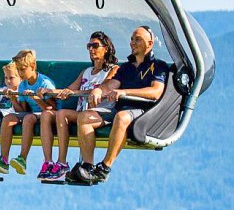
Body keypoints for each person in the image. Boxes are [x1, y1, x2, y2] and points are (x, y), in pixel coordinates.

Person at [67, 25, 169, 185]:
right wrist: (98, 91)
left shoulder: (158, 66)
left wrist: (125, 92)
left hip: (144, 111)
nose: (132, 43)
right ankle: (88, 166)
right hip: (120, 108)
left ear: (150, 44)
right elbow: (110, 85)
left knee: (122, 117)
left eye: (138, 40)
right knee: (85, 117)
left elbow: (156, 91)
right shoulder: (126, 67)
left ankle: (104, 169)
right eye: (132, 39)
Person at [39, 32, 119, 182]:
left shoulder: (113, 70)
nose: (91, 49)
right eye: (89, 46)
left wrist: (74, 92)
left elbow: (103, 88)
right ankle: (60, 162)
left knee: (64, 113)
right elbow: (68, 90)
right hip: (81, 111)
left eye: (95, 46)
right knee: (59, 113)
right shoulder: (86, 72)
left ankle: (81, 163)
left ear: (106, 48)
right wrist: (49, 92)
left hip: (100, 112)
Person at [0, 50, 55, 175]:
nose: (20, 73)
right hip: (32, 113)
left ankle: (22, 157)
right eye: (19, 70)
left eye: (23, 69)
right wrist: (13, 99)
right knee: (8, 118)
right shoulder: (23, 85)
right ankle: (3, 160)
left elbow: (52, 108)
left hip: (47, 114)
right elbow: (22, 110)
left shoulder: (44, 83)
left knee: (28, 119)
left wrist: (36, 99)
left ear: (33, 67)